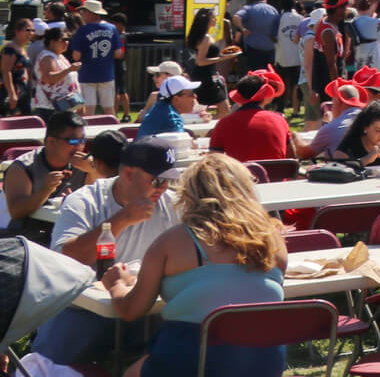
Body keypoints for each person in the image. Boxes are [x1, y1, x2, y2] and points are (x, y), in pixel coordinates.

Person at [104, 155, 289, 377]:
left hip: (194, 359)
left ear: (188, 195)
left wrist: (117, 284)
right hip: (262, 364)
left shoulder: (172, 242)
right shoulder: (273, 242)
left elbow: (131, 310)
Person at [30, 139, 182, 366]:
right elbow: (62, 260)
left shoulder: (173, 205)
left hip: (147, 310)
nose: (163, 188)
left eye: (169, 181)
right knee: (49, 366)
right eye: (157, 180)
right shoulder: (85, 201)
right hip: (84, 311)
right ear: (129, 174)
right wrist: (122, 220)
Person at [4, 110, 93, 242]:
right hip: (29, 235)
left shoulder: (85, 165)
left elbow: (98, 199)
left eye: (82, 140)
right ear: (51, 141)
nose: (79, 147)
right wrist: (46, 190)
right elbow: (16, 212)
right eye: (73, 141)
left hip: (72, 230)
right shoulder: (23, 168)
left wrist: (93, 171)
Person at [206, 71, 295, 163]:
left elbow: (214, 161)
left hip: (241, 176)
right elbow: (291, 158)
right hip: (278, 175)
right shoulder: (279, 120)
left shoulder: (224, 124)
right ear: (265, 95)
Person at [71, 0, 123, 117]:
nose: (82, 14)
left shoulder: (83, 30)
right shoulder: (112, 28)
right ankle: (113, 131)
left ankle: (88, 134)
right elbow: (118, 53)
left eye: (83, 12)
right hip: (107, 74)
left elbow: (76, 56)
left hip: (87, 75)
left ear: (90, 13)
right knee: (109, 110)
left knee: (89, 110)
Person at [329, 101, 380, 168]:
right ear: (365, 128)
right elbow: (339, 168)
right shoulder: (349, 146)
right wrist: (367, 159)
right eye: (378, 130)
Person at [31, 27, 82, 115]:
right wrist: (69, 70)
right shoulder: (47, 57)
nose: (66, 42)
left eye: (68, 39)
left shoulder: (60, 56)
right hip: (51, 108)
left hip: (67, 105)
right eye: (63, 40)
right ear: (52, 42)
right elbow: (49, 78)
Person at [183, 8, 239, 84]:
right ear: (206, 19)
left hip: (207, 73)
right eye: (213, 17)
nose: (215, 19)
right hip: (204, 76)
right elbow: (200, 62)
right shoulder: (205, 38)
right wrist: (223, 58)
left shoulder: (202, 36)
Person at [139, 74, 198, 139]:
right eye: (191, 94)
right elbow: (180, 144)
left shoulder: (158, 108)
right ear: (176, 99)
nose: (195, 96)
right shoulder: (172, 117)